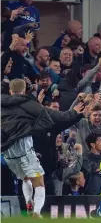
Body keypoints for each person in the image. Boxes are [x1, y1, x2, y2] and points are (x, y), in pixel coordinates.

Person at [1, 78, 85, 218]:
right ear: (24, 91)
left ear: (10, 91)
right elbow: (54, 116)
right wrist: (74, 113)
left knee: (25, 178)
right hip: (23, 146)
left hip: (7, 149)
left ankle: (28, 201)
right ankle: (36, 212)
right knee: (39, 182)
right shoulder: (29, 104)